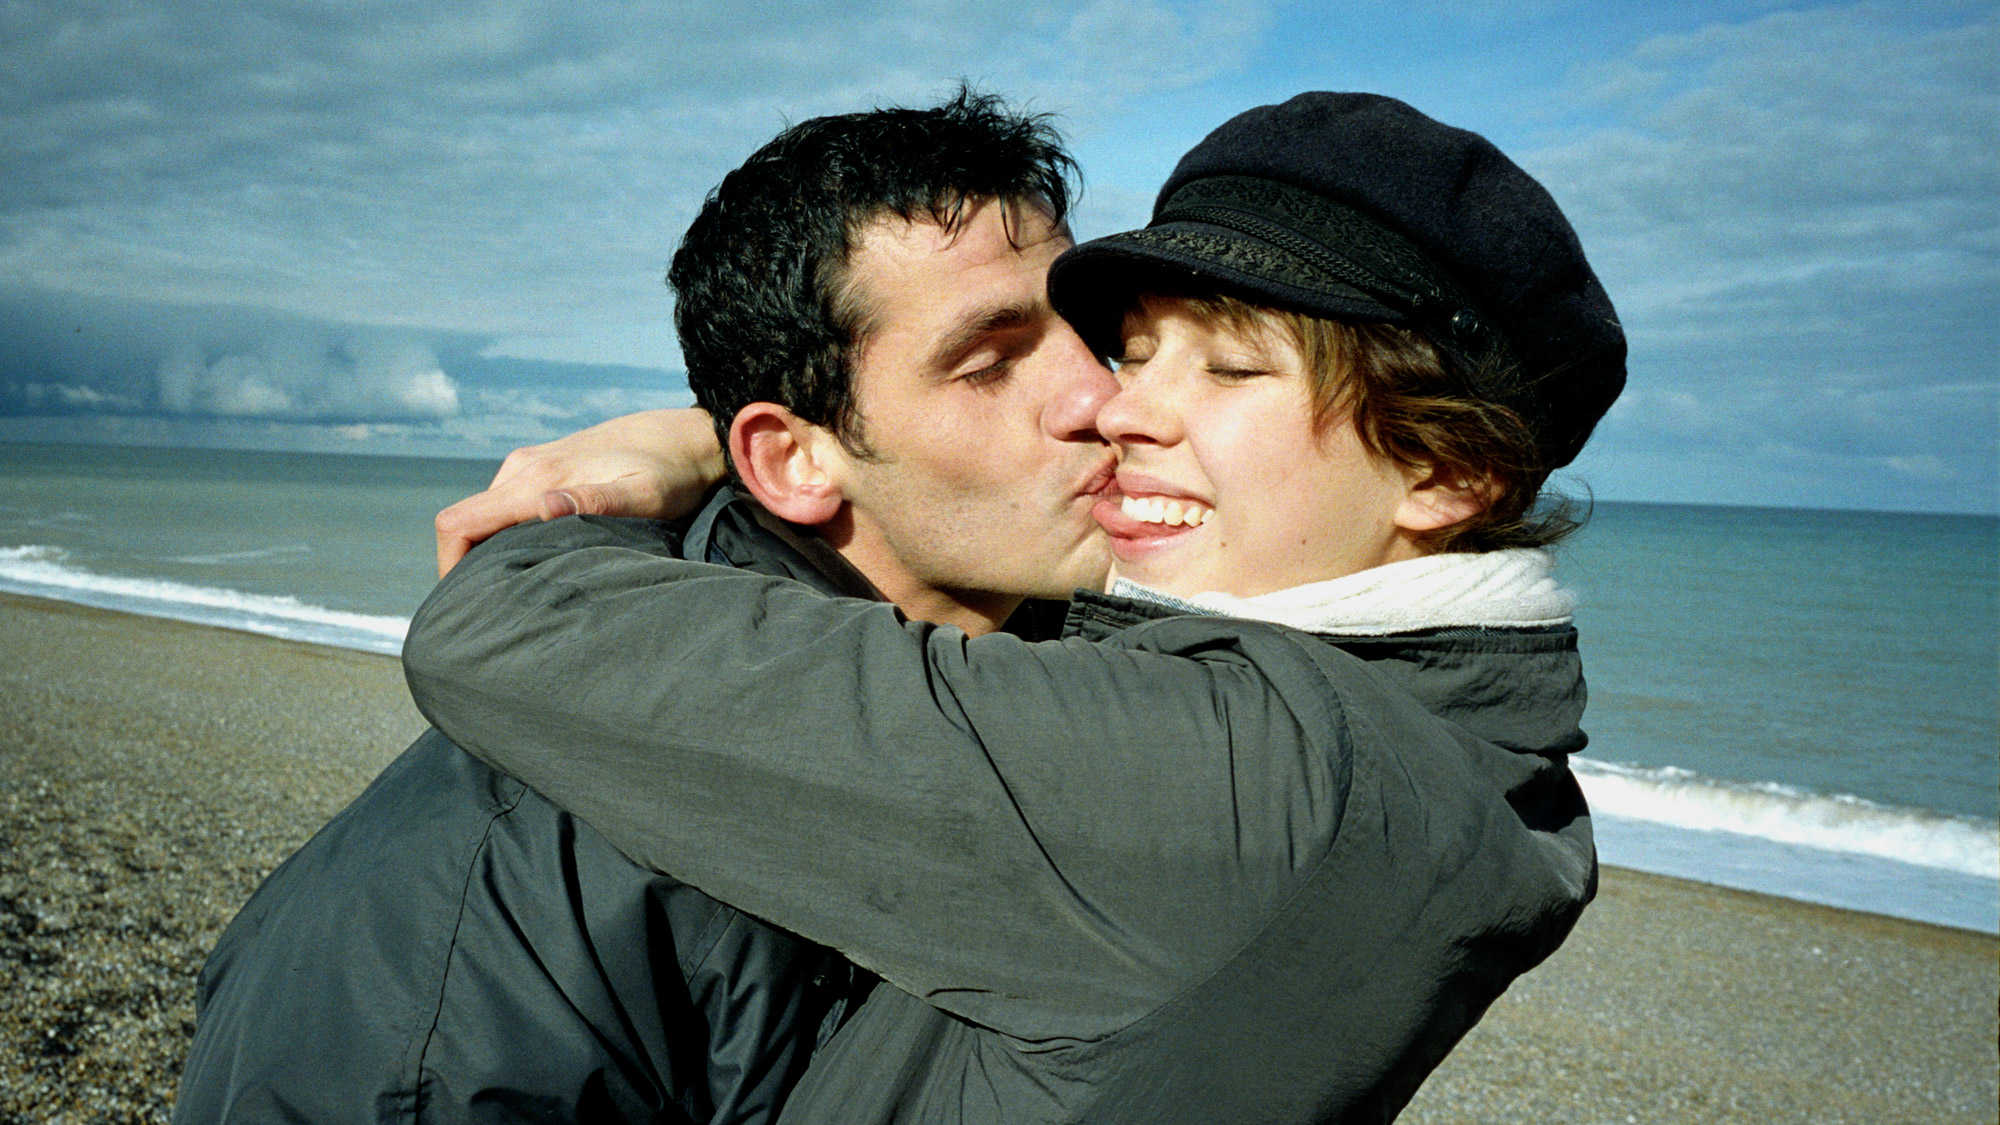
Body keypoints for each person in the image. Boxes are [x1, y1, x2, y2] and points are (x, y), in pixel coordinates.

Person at [403, 91, 1625, 1122]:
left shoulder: (1251, 779)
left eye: (1233, 365)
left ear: (1446, 472)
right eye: (1135, 351)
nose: (1114, 407)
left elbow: (503, 623)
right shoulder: (1453, 747)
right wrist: (754, 440)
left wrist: (688, 456)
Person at [173, 89, 1116, 1123]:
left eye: (1096, 332)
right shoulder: (517, 917)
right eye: (987, 362)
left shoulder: (1046, 665)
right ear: (790, 458)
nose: (1102, 396)